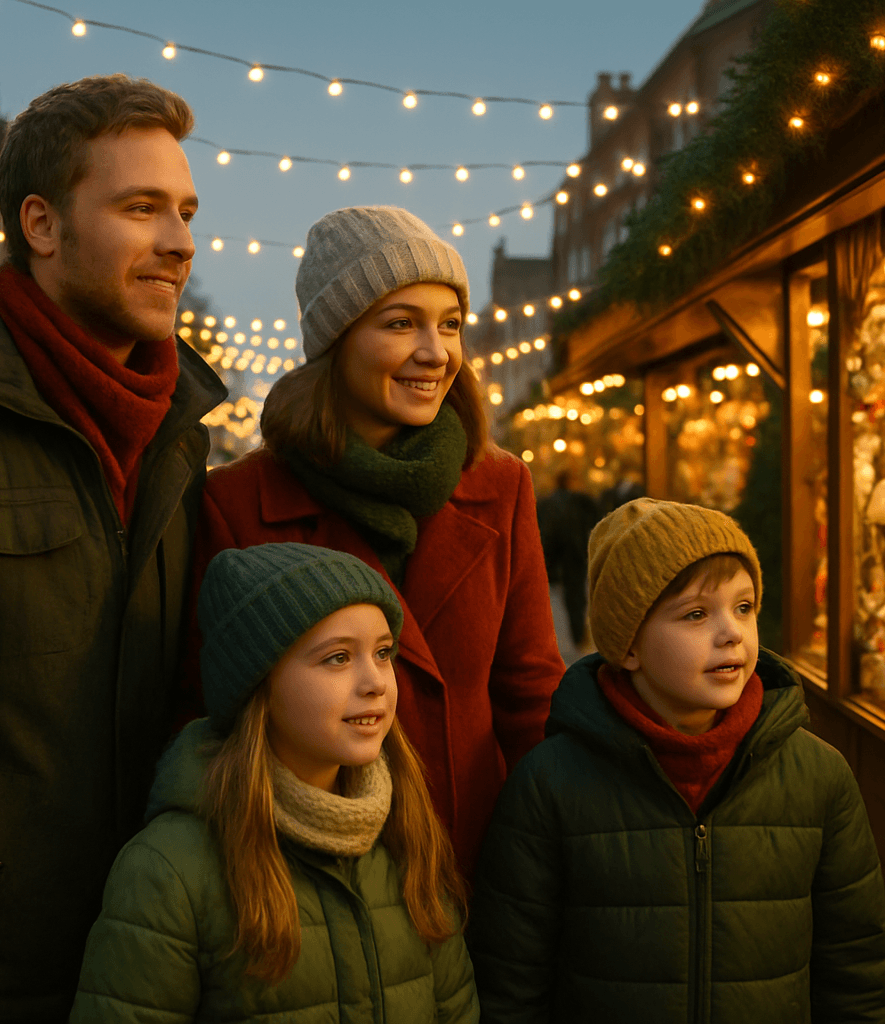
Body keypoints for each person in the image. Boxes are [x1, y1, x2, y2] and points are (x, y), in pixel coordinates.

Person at [0, 75, 226, 1021]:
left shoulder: (179, 433)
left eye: (187, 212)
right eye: (140, 209)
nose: (180, 243)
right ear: (41, 225)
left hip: (146, 963)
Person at [189, 206, 564, 875]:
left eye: (450, 324)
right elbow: (212, 718)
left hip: (472, 864)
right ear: (337, 340)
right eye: (401, 323)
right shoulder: (238, 504)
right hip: (312, 878)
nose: (437, 351)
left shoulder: (500, 486)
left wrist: (543, 869)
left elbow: (530, 695)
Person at [470, 498, 885, 1022]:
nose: (732, 633)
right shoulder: (550, 785)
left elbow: (858, 972)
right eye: (696, 614)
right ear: (628, 646)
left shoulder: (819, 777)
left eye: (744, 607)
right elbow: (511, 984)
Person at [71, 542, 479, 1021]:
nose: (377, 682)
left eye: (384, 652)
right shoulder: (169, 871)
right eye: (338, 658)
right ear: (258, 684)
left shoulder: (407, 832)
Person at [536, 469, 600, 650]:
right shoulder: (581, 501)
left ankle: (565, 636)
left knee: (555, 600)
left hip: (553, 556)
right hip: (575, 555)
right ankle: (578, 634)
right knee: (575, 597)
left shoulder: (547, 502)